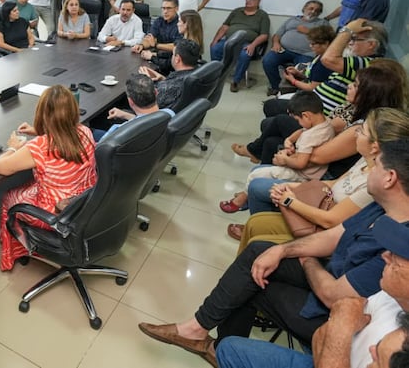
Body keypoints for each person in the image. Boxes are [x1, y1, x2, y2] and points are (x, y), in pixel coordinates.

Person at [139, 133, 409, 364]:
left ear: (389, 178)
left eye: (376, 166)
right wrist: (282, 251)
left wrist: (305, 259)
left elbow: (332, 295)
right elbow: (333, 237)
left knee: (255, 281)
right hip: (331, 276)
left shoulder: (398, 251)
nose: (370, 170)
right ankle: (197, 331)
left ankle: (217, 349)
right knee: (260, 253)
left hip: (333, 316)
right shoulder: (380, 207)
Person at [215, 212, 409, 368]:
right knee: (228, 348)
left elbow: (334, 307)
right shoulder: (386, 296)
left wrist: (340, 330)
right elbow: (321, 337)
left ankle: (201, 328)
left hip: (329, 350)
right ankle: (203, 327)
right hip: (324, 356)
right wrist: (337, 332)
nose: (385, 256)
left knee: (256, 281)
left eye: (400, 256)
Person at [228, 62, 408, 211]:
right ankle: (255, 200)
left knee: (262, 170)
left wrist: (288, 157)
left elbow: (317, 157)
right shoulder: (356, 110)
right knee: (271, 141)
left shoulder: (361, 128)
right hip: (317, 157)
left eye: (355, 85)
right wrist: (291, 147)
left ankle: (253, 192)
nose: (349, 86)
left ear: (369, 94)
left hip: (322, 172)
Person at [229, 108, 409, 249]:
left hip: (322, 222)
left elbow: (330, 220)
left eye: (362, 131)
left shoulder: (374, 183)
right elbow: (334, 183)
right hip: (320, 198)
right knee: (260, 173)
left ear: (375, 147)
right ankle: (265, 228)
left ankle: (267, 236)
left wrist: (289, 200)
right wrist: (291, 186)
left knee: (257, 186)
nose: (356, 133)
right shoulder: (366, 160)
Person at [0, 85, 97, 270]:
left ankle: (16, 251)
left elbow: (1, 167)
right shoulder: (85, 131)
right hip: (85, 202)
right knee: (30, 184)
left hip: (57, 213)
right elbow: (64, 134)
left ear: (42, 113)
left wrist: (12, 147)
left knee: (8, 196)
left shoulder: (41, 146)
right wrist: (38, 131)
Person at [221, 91, 334, 215]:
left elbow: (300, 163)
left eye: (297, 120)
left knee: (255, 175)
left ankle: (243, 200)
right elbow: (303, 130)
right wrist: (289, 140)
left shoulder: (310, 137)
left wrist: (284, 159)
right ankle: (246, 195)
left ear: (306, 116)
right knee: (258, 169)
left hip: (302, 176)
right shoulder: (326, 124)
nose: (298, 123)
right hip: (313, 171)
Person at [263, 19, 387, 118]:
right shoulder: (354, 60)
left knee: (272, 109)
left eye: (354, 39)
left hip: (320, 113)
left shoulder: (367, 63)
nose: (349, 43)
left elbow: (327, 60)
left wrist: (347, 30)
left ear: (371, 44)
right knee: (272, 112)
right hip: (314, 103)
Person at [262, 0, 328, 95]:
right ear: (304, 8)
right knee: (268, 61)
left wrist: (308, 31)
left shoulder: (322, 23)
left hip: (306, 53)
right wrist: (276, 43)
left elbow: (327, 40)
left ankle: (293, 92)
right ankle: (276, 87)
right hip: (284, 50)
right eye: (311, 8)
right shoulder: (292, 20)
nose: (313, 11)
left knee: (302, 71)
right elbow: (277, 34)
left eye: (317, 10)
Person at [209, 0, 270, 93]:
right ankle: (216, 75)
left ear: (258, 1)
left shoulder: (262, 15)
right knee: (215, 48)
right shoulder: (237, 11)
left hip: (246, 44)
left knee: (245, 55)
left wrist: (253, 45)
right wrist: (215, 39)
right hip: (229, 41)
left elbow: (264, 35)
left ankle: (236, 81)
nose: (248, 1)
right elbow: (225, 27)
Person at [94, 73, 174, 141]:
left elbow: (99, 149)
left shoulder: (117, 130)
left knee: (92, 131)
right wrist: (127, 115)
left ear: (130, 101)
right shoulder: (170, 114)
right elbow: (146, 121)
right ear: (156, 93)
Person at [138, 38, 201, 110]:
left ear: (177, 59)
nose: (171, 57)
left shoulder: (171, 88)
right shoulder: (197, 73)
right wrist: (162, 78)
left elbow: (152, 103)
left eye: (173, 54)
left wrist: (147, 82)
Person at [276, 24, 336, 94]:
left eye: (313, 44)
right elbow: (316, 78)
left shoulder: (324, 63)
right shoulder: (320, 56)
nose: (310, 46)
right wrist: (299, 74)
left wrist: (293, 80)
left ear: (326, 43)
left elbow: (312, 88)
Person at [131, 0, 182, 71]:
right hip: (157, 56)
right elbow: (149, 39)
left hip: (172, 59)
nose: (165, 11)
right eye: (163, 8)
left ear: (176, 9)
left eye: (169, 8)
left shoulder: (181, 24)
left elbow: (177, 47)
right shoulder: (159, 21)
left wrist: (156, 45)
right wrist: (141, 45)